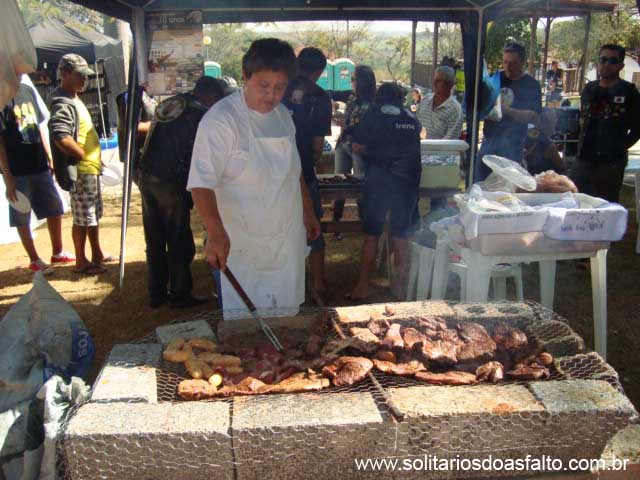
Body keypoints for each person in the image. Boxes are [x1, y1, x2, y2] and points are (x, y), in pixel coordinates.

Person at [188, 38, 321, 319]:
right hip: (242, 242)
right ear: (245, 75)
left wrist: (308, 213)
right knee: (245, 328)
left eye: (280, 88)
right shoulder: (221, 120)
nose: (271, 95)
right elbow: (201, 184)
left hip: (285, 237)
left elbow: (293, 172)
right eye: (264, 86)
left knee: (286, 317)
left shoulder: (283, 115)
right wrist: (215, 233)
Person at [139, 76, 226, 308]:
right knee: (179, 239)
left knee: (154, 236)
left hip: (148, 174)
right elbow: (194, 154)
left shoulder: (172, 102)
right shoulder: (199, 113)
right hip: (171, 180)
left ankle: (156, 292)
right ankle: (179, 293)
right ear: (210, 96)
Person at [348, 82, 422, 301]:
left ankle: (362, 286)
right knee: (401, 236)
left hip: (380, 180)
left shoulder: (373, 114)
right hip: (407, 182)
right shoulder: (411, 119)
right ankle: (400, 289)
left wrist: (366, 149)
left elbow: (357, 144)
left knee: (372, 235)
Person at [0, 76, 74, 274]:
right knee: (21, 215)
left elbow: (40, 124)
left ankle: (57, 251)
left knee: (54, 208)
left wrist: (48, 154)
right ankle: (34, 259)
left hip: (39, 162)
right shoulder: (1, 95)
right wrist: (7, 176)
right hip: (17, 169)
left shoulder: (27, 90)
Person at [49, 54, 111, 275]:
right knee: (83, 218)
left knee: (93, 215)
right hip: (81, 171)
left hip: (91, 169)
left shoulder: (75, 98)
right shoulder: (63, 103)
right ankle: (81, 261)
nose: (85, 80)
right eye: (79, 76)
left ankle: (96, 254)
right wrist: (82, 155)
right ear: (64, 74)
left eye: (86, 76)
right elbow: (60, 135)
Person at [282, 47, 332, 298]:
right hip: (302, 172)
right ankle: (319, 285)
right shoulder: (319, 96)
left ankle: (282, 283)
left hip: (272, 174)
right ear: (320, 71)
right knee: (312, 227)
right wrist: (312, 162)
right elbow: (316, 145)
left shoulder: (277, 88)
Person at [570, 44, 640, 203]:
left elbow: (638, 128)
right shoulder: (589, 89)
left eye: (612, 61)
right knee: (575, 202)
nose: (606, 64)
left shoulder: (628, 91)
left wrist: (620, 146)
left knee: (605, 208)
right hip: (583, 160)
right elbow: (583, 121)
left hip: (610, 165)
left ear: (620, 65)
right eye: (603, 60)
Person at [475, 42, 542, 182]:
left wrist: (507, 111)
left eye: (513, 63)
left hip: (514, 146)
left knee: (508, 188)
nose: (508, 67)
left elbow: (534, 117)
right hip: (489, 142)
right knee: (479, 183)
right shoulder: (495, 79)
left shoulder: (531, 85)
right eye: (505, 62)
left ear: (523, 62)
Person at [330, 65, 376, 238]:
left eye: (354, 79)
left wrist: (346, 126)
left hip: (359, 148)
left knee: (360, 185)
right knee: (338, 182)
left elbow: (368, 128)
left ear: (362, 81)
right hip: (344, 144)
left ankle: (364, 223)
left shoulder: (373, 102)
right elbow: (331, 93)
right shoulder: (351, 97)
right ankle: (336, 225)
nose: (351, 82)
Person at [416, 66, 463, 140]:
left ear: (449, 84)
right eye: (434, 80)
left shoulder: (455, 109)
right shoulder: (425, 99)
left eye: (439, 81)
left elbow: (450, 140)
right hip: (417, 148)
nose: (434, 83)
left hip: (438, 150)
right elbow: (415, 124)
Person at [524, 110, 565, 175]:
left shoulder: (528, 135)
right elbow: (561, 167)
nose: (554, 126)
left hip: (528, 175)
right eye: (552, 122)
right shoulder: (548, 144)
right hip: (543, 179)